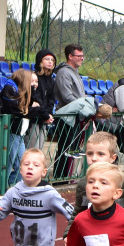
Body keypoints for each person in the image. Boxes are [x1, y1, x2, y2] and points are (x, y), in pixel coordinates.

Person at [64, 131, 124, 233]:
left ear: (112, 158)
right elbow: (78, 212)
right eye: (90, 154)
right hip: (93, 237)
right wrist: (69, 234)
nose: (94, 158)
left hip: (121, 239)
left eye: (100, 154)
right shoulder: (84, 183)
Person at [0, 68, 49, 184]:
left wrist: (34, 96)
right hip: (12, 132)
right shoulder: (10, 89)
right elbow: (20, 110)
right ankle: (1, 187)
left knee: (22, 164)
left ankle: (12, 185)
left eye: (36, 82)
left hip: (21, 133)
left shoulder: (27, 92)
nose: (34, 85)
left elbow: (37, 105)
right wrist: (34, 108)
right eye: (32, 81)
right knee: (8, 162)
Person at [52, 44, 88, 178]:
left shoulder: (75, 72)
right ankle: (59, 177)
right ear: (70, 56)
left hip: (75, 115)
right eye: (79, 56)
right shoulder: (64, 73)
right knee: (65, 148)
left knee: (71, 148)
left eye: (82, 56)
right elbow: (67, 96)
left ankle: (65, 176)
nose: (81, 59)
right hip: (66, 116)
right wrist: (83, 105)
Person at [28, 48, 57, 150]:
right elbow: (35, 97)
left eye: (52, 60)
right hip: (34, 119)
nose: (50, 62)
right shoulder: (34, 77)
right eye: (46, 59)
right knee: (31, 148)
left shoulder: (52, 80)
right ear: (40, 61)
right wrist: (45, 114)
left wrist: (48, 114)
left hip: (44, 119)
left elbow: (51, 99)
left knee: (39, 148)